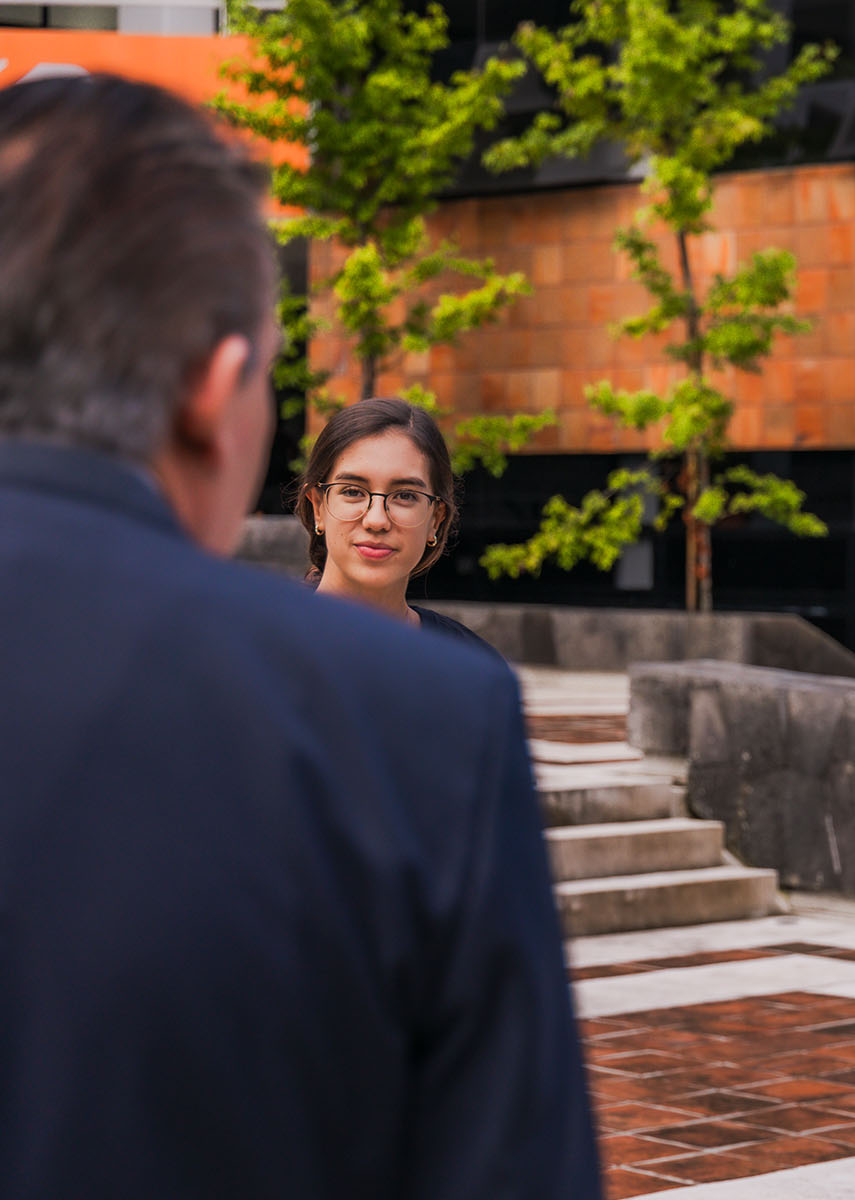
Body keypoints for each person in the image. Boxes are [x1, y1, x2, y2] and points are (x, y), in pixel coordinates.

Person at [0, 75, 601, 1197]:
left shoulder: (439, 681)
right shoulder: (416, 717)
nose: (378, 516)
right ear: (215, 390)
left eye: (406, 496)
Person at [296, 396, 492, 653]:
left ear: (436, 519)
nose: (376, 520)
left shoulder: (469, 665)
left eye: (405, 496)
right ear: (318, 507)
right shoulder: (253, 649)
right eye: (353, 491)